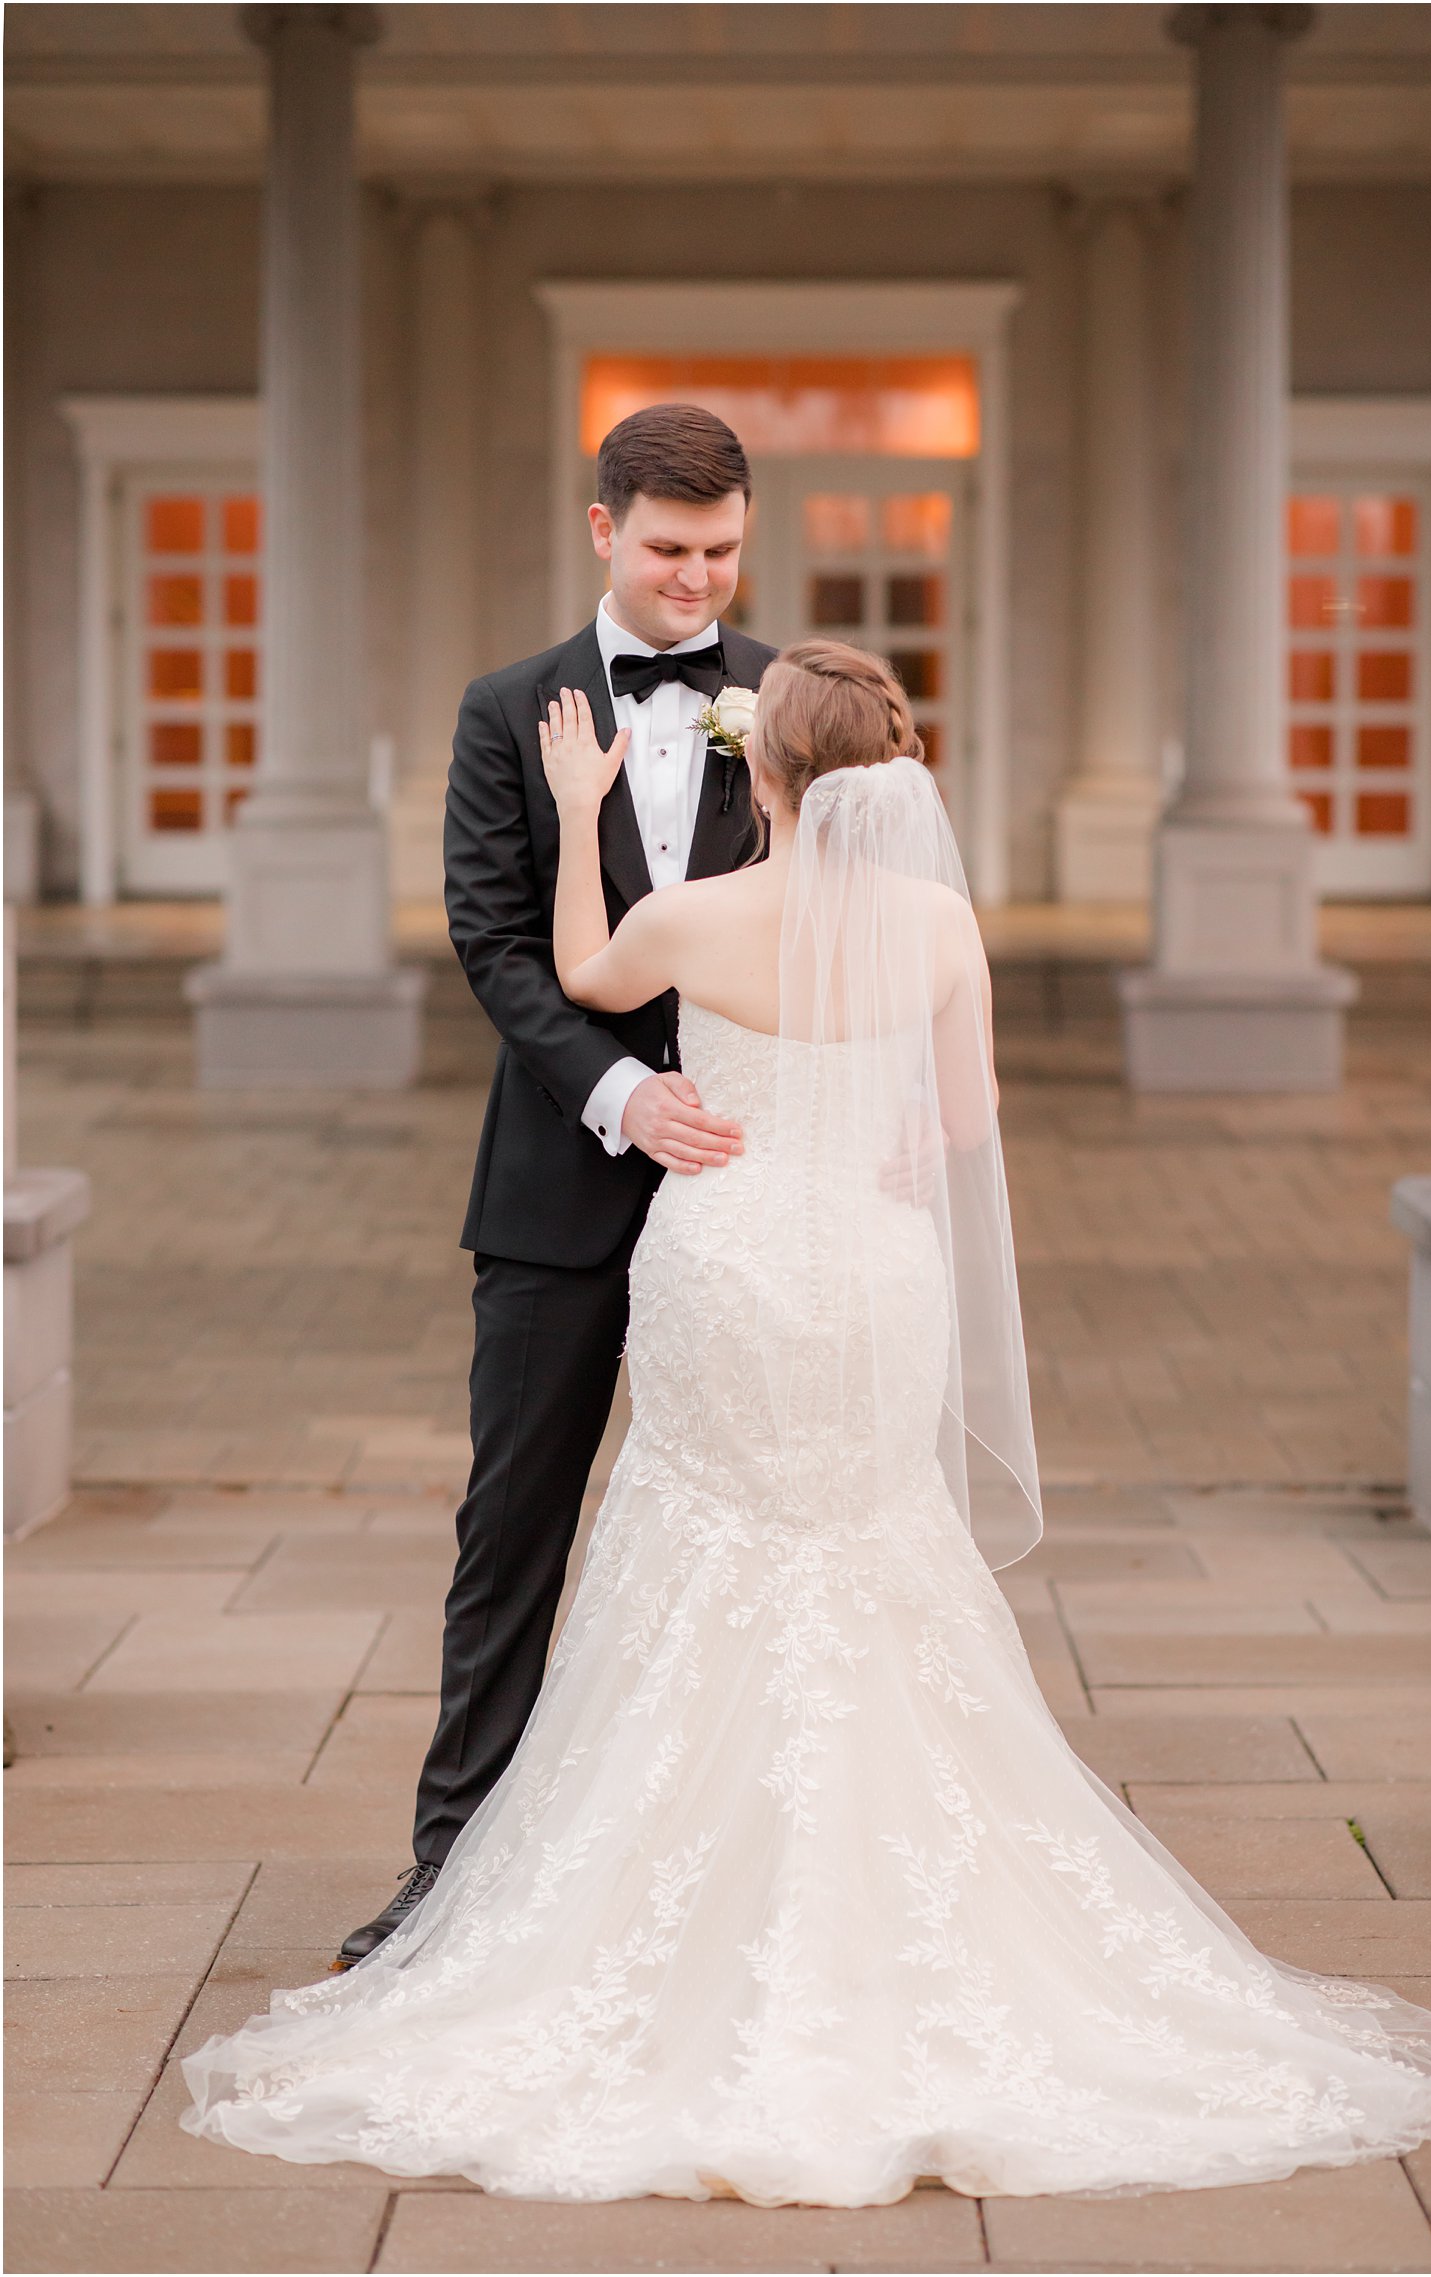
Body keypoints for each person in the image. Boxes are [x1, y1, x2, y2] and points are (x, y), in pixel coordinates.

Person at [183, 642, 1431, 2206]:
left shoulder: (694, 915)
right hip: (875, 1279)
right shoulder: (940, 925)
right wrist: (880, 1142)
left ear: (768, 773)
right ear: (895, 773)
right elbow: (959, 1124)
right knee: (875, 1555)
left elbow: (582, 969)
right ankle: (910, 1933)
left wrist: (584, 800)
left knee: (691, 1545)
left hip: (725, 1259)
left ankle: (644, 1927)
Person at [335, 403, 775, 1968]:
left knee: (751, 1534)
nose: (696, 582)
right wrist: (616, 1092)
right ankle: (451, 1878)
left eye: (722, 552)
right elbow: (493, 940)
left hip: (750, 1190)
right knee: (514, 1524)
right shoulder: (503, 708)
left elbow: (853, 913)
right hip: (559, 1188)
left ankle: (727, 1889)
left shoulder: (785, 697)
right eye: (668, 550)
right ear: (603, 528)